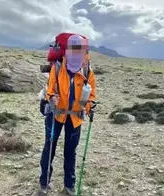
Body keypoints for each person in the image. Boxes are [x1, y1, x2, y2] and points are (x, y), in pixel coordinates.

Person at [38, 34, 97, 195]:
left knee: (71, 151)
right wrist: (52, 98)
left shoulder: (87, 70)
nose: (76, 56)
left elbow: (91, 95)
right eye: (73, 51)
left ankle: (69, 186)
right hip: (55, 114)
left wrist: (90, 105)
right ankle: (44, 184)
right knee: (49, 147)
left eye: (80, 52)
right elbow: (50, 91)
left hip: (75, 117)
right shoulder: (57, 68)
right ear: (67, 52)